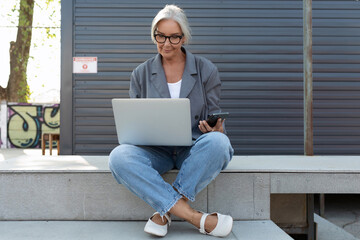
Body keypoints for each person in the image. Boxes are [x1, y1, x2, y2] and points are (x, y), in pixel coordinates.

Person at [108, 4, 234, 238]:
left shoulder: (206, 70)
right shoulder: (140, 73)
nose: (166, 43)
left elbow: (216, 121)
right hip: (155, 150)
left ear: (184, 37)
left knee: (219, 143)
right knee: (118, 157)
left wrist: (217, 129)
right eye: (160, 36)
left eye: (174, 37)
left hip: (193, 146)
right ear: (154, 35)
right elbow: (135, 120)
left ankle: (164, 213)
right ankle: (194, 217)